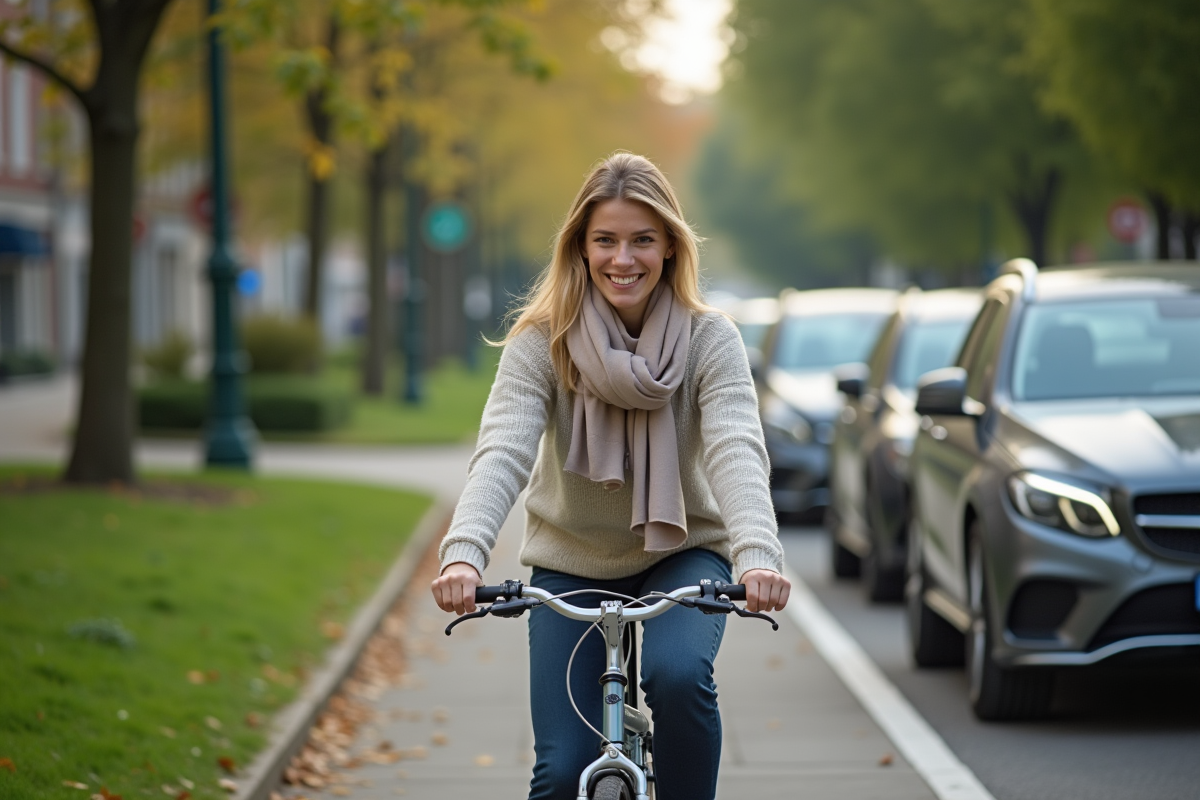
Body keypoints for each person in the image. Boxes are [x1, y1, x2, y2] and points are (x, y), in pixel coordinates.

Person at [431, 152, 789, 800]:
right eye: (606, 240)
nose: (623, 258)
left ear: (671, 249)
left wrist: (758, 556)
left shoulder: (711, 340)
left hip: (684, 556)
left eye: (642, 240)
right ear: (581, 247)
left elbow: (737, 447)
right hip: (571, 563)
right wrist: (463, 555)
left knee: (680, 677)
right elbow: (503, 450)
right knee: (562, 772)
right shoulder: (542, 341)